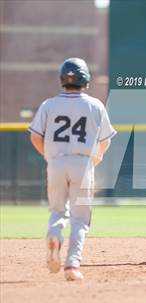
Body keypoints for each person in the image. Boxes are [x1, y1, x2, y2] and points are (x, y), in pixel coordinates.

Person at [29, 57, 116, 281]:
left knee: (58, 211)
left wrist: (51, 158)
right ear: (85, 79)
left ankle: (54, 234)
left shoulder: (49, 105)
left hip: (56, 162)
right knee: (80, 218)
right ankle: (72, 265)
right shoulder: (95, 105)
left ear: (62, 79)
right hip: (83, 163)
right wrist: (94, 160)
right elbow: (105, 141)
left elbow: (35, 137)